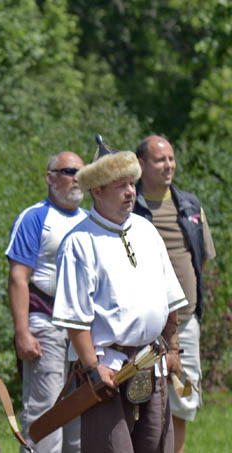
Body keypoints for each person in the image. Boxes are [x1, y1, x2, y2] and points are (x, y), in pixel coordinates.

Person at [52, 136, 187, 452]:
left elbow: (170, 297)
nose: (130, 192)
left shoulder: (146, 230)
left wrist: (173, 349)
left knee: (157, 447)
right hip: (109, 370)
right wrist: (92, 367)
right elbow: (75, 319)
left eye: (131, 183)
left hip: (153, 363)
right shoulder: (79, 242)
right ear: (97, 191)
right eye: (120, 185)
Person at [132, 135, 215, 453]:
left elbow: (201, 259)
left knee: (183, 396)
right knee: (139, 394)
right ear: (141, 164)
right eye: (160, 160)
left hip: (186, 320)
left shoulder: (190, 205)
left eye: (171, 159)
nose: (168, 165)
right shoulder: (129, 204)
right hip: (142, 322)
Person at [5, 151, 86, 453]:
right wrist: (22, 332)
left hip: (83, 331)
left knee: (80, 418)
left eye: (81, 172)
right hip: (46, 326)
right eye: (69, 171)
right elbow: (18, 278)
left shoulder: (91, 220)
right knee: (46, 416)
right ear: (50, 178)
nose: (77, 178)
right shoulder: (34, 217)